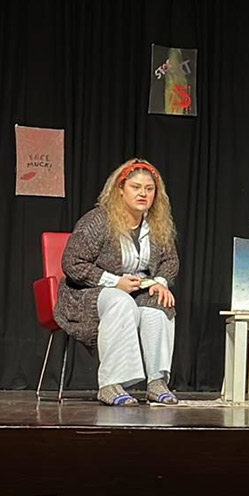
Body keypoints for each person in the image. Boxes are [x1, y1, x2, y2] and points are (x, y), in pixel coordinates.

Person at [54, 158, 179, 406]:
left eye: (149, 189)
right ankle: (110, 384)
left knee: (159, 304)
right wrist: (113, 281)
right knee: (121, 302)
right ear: (120, 189)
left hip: (137, 291)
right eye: (136, 187)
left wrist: (159, 281)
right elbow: (72, 263)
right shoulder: (99, 221)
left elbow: (170, 260)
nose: (143, 193)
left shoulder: (157, 224)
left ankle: (157, 382)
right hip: (88, 293)